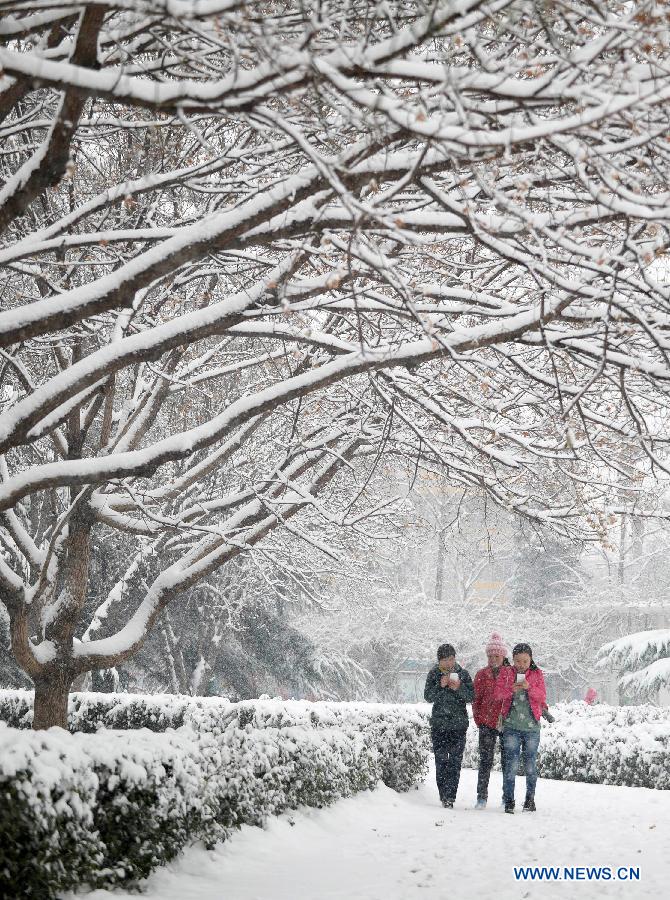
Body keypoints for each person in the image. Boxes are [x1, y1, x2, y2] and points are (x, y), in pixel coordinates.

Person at [494, 642, 546, 814]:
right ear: (513, 660)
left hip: (532, 727)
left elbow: (542, 697)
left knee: (531, 765)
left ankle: (530, 800)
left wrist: (529, 687)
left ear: (530, 659)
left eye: (525, 661)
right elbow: (497, 694)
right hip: (511, 727)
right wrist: (511, 689)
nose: (521, 665)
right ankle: (509, 801)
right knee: (511, 765)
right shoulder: (506, 672)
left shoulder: (537, 674)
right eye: (517, 661)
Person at [423, 643, 474, 808]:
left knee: (455, 762)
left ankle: (450, 797)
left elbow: (471, 696)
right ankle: (443, 795)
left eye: (451, 659)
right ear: (439, 661)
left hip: (458, 726)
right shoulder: (433, 674)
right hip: (439, 725)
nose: (449, 663)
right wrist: (441, 684)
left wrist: (458, 687)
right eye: (445, 660)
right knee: (441, 761)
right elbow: (428, 696)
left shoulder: (463, 674)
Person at [472, 632, 510, 809]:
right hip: (486, 723)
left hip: (505, 723)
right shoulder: (481, 674)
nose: (494, 659)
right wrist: (479, 719)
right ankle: (481, 797)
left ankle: (506, 797)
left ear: (503, 656)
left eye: (497, 656)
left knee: (506, 762)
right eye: (491, 656)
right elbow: (476, 699)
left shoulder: (510, 674)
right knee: (485, 761)